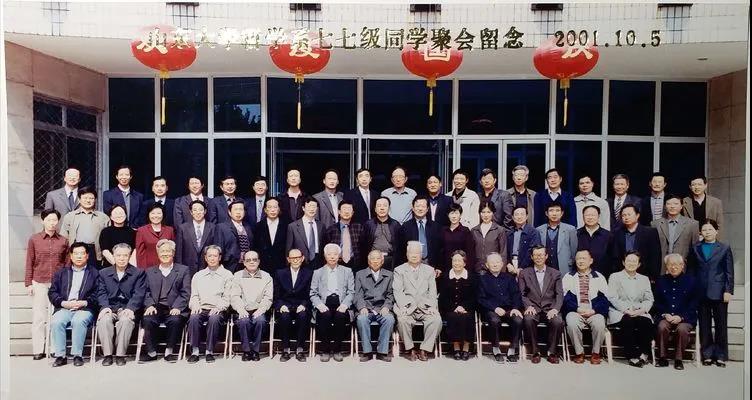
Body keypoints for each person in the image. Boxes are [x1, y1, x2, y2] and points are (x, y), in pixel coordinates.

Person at [25, 209, 69, 360]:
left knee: (55, 317)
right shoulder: (34, 239)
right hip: (39, 281)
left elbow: (67, 264)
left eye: (55, 220)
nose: (52, 223)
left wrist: (65, 283)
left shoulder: (63, 241)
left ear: (58, 222)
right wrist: (28, 283)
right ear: (42, 221)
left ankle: (55, 348)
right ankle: (38, 349)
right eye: (49, 220)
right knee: (39, 317)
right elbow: (29, 261)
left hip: (57, 284)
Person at [139, 239, 191, 363]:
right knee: (147, 319)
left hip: (174, 307)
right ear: (158, 254)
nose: (165, 254)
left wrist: (178, 307)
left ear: (173, 253)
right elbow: (145, 291)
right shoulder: (149, 271)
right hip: (156, 307)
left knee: (175, 320)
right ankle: (151, 353)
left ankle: (169, 351)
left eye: (168, 251)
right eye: (162, 251)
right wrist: (149, 305)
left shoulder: (183, 270)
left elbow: (185, 292)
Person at [48, 242, 100, 367]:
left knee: (78, 321)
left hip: (85, 308)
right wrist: (63, 303)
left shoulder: (94, 273)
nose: (79, 256)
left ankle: (77, 355)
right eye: (76, 253)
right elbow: (52, 292)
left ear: (87, 256)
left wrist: (85, 302)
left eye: (82, 253)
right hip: (65, 307)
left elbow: (98, 293)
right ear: (71, 256)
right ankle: (60, 356)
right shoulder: (61, 273)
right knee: (57, 321)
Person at [95, 243, 146, 366]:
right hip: (110, 307)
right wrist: (105, 307)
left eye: (125, 255)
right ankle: (107, 355)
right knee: (104, 320)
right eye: (118, 255)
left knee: (125, 320)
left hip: (127, 307)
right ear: (113, 256)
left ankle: (120, 355)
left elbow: (139, 293)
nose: (122, 258)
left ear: (129, 256)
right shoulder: (103, 273)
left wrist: (131, 308)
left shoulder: (138, 273)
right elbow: (101, 292)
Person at [693, 220, 734, 367]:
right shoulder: (696, 248)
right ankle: (707, 354)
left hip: (719, 291)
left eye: (710, 229)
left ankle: (721, 355)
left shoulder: (724, 248)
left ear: (716, 231)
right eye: (704, 230)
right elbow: (692, 270)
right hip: (701, 291)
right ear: (701, 232)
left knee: (721, 324)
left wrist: (728, 290)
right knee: (704, 325)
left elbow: (729, 271)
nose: (707, 232)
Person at [392, 241, 442, 362]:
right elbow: (398, 291)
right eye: (411, 253)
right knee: (402, 320)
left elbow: (432, 292)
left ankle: (425, 349)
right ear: (407, 254)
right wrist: (404, 306)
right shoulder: (399, 270)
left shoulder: (429, 270)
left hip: (425, 306)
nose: (414, 255)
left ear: (421, 255)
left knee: (436, 320)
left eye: (417, 253)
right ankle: (410, 349)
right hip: (407, 306)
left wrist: (432, 307)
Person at [186, 245, 234, 363]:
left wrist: (219, 307)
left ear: (220, 258)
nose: (212, 258)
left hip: (218, 309)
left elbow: (227, 296)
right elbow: (194, 295)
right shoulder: (198, 275)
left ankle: (209, 351)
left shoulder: (227, 275)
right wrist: (195, 305)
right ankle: (195, 351)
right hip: (201, 308)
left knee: (214, 318)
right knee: (193, 317)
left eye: (215, 256)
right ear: (205, 258)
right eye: (210, 256)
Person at [518, 245, 564, 364]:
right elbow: (521, 294)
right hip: (533, 307)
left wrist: (555, 309)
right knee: (528, 319)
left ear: (546, 256)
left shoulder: (556, 273)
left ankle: (552, 352)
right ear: (532, 257)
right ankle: (535, 352)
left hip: (550, 307)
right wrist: (528, 306)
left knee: (557, 321)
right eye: (536, 255)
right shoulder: (524, 273)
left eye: (541, 255)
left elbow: (559, 294)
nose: (538, 257)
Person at [607, 251, 654, 368]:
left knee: (646, 322)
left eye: (634, 261)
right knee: (627, 321)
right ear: (623, 262)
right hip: (620, 311)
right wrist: (626, 309)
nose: (631, 263)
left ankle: (644, 354)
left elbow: (649, 299)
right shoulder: (615, 277)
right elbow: (612, 297)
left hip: (639, 310)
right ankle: (632, 356)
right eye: (628, 260)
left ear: (639, 264)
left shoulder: (644, 279)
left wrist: (641, 310)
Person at [561, 249, 609, 364]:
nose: (581, 261)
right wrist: (577, 309)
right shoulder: (568, 276)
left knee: (599, 323)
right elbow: (565, 299)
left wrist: (594, 310)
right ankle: (579, 353)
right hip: (575, 310)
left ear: (591, 260)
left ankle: (596, 353)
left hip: (594, 310)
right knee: (571, 322)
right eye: (578, 258)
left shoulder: (599, 277)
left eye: (584, 258)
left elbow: (604, 300)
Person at [310, 243, 355, 362]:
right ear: (325, 256)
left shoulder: (347, 271)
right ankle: (325, 350)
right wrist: (319, 305)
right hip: (324, 303)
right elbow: (313, 293)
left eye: (335, 254)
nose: (332, 257)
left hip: (341, 302)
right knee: (325, 316)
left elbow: (351, 292)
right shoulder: (318, 272)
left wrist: (345, 305)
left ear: (339, 256)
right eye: (329, 254)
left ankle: (337, 350)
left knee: (340, 316)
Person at [653, 253, 699, 370]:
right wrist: (665, 314)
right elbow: (656, 302)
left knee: (682, 329)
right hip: (666, 316)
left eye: (676, 264)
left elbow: (694, 304)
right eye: (670, 265)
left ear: (682, 265)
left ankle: (679, 359)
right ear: (666, 266)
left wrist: (681, 317)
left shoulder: (692, 281)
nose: (673, 267)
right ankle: (662, 358)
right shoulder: (661, 281)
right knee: (662, 326)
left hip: (685, 318)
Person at [477, 253, 523, 363]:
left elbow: (516, 294)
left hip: (509, 309)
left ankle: (512, 350)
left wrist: (515, 308)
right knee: (494, 320)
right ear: (487, 265)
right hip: (492, 310)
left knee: (518, 320)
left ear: (502, 264)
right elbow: (481, 299)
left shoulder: (509, 278)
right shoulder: (482, 279)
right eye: (492, 262)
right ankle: (496, 349)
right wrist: (495, 308)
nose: (495, 264)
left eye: (497, 262)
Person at [230, 251, 274, 362]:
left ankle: (255, 351)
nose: (251, 262)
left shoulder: (266, 276)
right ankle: (246, 351)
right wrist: (240, 309)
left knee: (260, 321)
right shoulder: (237, 276)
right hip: (242, 309)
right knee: (243, 321)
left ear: (259, 261)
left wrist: (261, 309)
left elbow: (268, 297)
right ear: (244, 262)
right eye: (248, 260)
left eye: (254, 260)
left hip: (259, 309)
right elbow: (235, 296)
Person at [354, 250, 395, 362]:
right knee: (362, 319)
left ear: (382, 261)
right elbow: (357, 294)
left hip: (382, 308)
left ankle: (382, 352)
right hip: (366, 308)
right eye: (373, 258)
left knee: (389, 319)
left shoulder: (389, 275)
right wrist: (362, 307)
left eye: (378, 259)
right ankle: (367, 352)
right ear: (368, 261)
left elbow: (391, 294)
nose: (375, 261)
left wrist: (386, 306)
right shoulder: (360, 274)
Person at [273, 248, 313, 362]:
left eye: (298, 257)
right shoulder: (280, 273)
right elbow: (276, 294)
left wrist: (304, 305)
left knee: (303, 316)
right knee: (284, 317)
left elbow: (310, 293)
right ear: (288, 259)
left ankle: (300, 350)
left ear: (302, 258)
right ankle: (286, 350)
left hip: (301, 305)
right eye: (292, 258)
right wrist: (281, 305)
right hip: (285, 305)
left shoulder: (309, 273)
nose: (295, 260)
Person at [439, 250, 477, 361]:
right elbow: (442, 298)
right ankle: (455, 347)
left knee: (468, 317)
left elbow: (474, 297)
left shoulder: (472, 277)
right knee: (452, 317)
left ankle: (466, 348)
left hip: (467, 309)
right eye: (454, 261)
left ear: (464, 263)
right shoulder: (445, 277)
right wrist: (454, 308)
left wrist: (464, 307)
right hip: (450, 308)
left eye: (459, 261)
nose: (456, 263)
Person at [60, 187, 110, 268]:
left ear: (95, 200)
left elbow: (108, 238)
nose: (88, 200)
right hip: (76, 250)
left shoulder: (103, 217)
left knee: (93, 274)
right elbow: (64, 237)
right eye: (85, 198)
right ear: (79, 200)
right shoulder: (70, 216)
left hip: (95, 251)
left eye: (91, 198)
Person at [611, 204, 661, 282]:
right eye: (624, 215)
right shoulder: (617, 233)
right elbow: (615, 256)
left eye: (629, 214)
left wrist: (653, 276)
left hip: (645, 275)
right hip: (623, 275)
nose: (626, 217)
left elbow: (655, 256)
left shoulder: (650, 232)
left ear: (637, 215)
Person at [651, 194, 699, 274]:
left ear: (681, 206)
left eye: (676, 204)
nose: (672, 206)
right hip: (661, 267)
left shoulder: (692, 224)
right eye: (669, 204)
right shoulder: (655, 224)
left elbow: (695, 249)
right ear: (665, 206)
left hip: (683, 267)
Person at [396, 196, 443, 271]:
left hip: (431, 266)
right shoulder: (405, 227)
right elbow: (400, 250)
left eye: (423, 206)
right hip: (410, 266)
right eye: (417, 206)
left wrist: (439, 267)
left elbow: (440, 249)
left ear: (427, 209)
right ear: (413, 208)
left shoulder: (436, 227)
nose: (420, 209)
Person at [175, 200, 218, 276]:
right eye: (195, 210)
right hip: (187, 269)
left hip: (207, 268)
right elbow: (179, 252)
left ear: (205, 211)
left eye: (200, 210)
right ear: (191, 212)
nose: (198, 212)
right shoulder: (183, 228)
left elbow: (216, 249)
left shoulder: (213, 227)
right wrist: (179, 270)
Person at [536, 202, 578, 276]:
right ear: (546, 213)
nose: (554, 214)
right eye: (551, 210)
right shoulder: (539, 230)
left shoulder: (570, 229)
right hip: (544, 269)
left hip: (564, 268)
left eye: (557, 210)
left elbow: (574, 251)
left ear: (562, 213)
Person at [361, 197, 402, 270]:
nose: (382, 208)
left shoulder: (395, 225)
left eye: (385, 206)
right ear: (375, 209)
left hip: (391, 259)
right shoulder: (368, 224)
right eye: (379, 206)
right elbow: (363, 245)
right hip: (373, 259)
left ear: (389, 208)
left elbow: (400, 246)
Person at [286, 196, 325, 269]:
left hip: (317, 261)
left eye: (314, 206)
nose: (312, 209)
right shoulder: (293, 226)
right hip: (299, 261)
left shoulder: (321, 225)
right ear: (303, 208)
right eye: (309, 206)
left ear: (317, 209)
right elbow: (289, 248)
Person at [324, 201, 364, 271]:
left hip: (355, 264)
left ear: (353, 213)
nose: (346, 212)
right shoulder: (331, 229)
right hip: (337, 264)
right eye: (344, 209)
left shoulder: (359, 227)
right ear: (339, 212)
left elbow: (363, 247)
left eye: (349, 209)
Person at [216, 200, 254, 273]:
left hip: (247, 266)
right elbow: (218, 249)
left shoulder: (248, 227)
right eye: (235, 209)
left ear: (244, 212)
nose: (238, 212)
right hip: (229, 266)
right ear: (229, 212)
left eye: (241, 209)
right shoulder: (221, 227)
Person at [135, 202, 175, 269]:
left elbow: (172, 251)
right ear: (148, 214)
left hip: (167, 266)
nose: (156, 216)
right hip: (149, 268)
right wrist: (143, 271)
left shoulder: (170, 230)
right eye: (153, 213)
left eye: (159, 213)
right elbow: (140, 254)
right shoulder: (141, 231)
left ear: (163, 214)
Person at [252, 197, 288, 273]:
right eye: (270, 207)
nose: (272, 210)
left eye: (275, 207)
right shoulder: (258, 226)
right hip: (263, 267)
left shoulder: (287, 225)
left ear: (279, 209)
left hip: (282, 267)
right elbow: (255, 247)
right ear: (265, 210)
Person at [470, 201, 507, 273]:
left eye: (488, 212)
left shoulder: (499, 230)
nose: (486, 215)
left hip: (494, 268)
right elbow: (471, 252)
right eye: (483, 212)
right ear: (479, 213)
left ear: (493, 213)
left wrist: (502, 272)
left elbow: (503, 252)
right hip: (477, 268)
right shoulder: (474, 230)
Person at [576, 205, 613, 276]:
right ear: (583, 216)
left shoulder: (608, 235)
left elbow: (612, 258)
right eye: (587, 215)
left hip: (603, 275)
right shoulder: (576, 234)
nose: (590, 217)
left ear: (598, 216)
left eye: (593, 215)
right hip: (580, 275)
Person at [441, 203, 476, 275]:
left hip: (461, 268)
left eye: (456, 213)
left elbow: (470, 252)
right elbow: (440, 250)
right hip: (445, 268)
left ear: (460, 215)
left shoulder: (465, 231)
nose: (454, 216)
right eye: (452, 213)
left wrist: (468, 269)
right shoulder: (443, 230)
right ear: (448, 215)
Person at [506, 206, 542, 273]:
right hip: (511, 267)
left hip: (527, 268)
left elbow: (533, 251)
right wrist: (508, 264)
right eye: (516, 214)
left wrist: (522, 268)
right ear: (513, 217)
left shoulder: (533, 232)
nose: (519, 217)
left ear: (527, 216)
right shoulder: (509, 233)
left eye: (522, 214)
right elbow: (505, 251)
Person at [99, 204, 136, 269]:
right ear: (111, 217)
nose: (119, 215)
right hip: (110, 266)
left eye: (121, 213)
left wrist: (128, 266)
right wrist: (118, 265)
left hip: (129, 266)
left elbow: (135, 250)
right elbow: (105, 251)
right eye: (116, 213)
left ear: (125, 215)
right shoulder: (105, 232)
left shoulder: (132, 231)